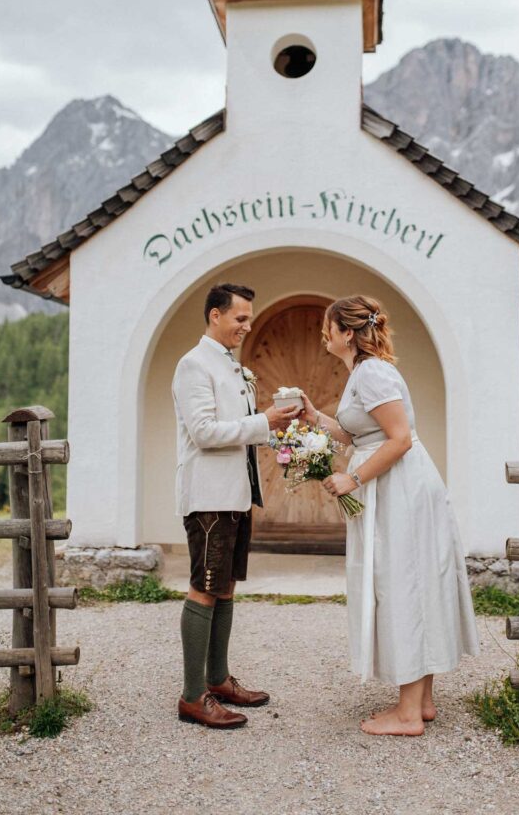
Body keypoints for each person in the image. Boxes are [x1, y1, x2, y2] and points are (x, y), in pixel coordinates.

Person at [301, 295, 479, 736]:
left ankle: (406, 714)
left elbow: (398, 439)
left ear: (347, 332)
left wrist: (353, 479)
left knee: (404, 585)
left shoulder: (374, 372)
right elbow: (360, 433)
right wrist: (314, 417)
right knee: (415, 582)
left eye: (329, 327)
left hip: (402, 488)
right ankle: (422, 701)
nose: (325, 335)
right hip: (398, 486)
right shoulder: (363, 373)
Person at [172, 282, 299, 729]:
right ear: (215, 316)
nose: (247, 326)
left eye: (249, 318)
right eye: (240, 318)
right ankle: (192, 696)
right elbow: (205, 432)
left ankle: (219, 679)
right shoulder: (193, 365)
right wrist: (262, 421)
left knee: (225, 586)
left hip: (236, 495)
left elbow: (239, 427)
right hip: (208, 496)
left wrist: (275, 426)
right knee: (205, 586)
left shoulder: (231, 366)